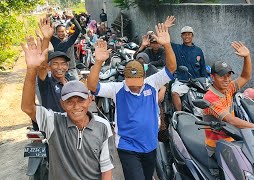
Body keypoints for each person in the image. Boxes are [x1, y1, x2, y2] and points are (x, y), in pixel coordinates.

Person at [87, 23, 176, 180]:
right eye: (131, 84)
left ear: (144, 77)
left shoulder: (152, 83)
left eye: (137, 84)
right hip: (127, 147)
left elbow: (171, 68)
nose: (134, 88)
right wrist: (99, 62)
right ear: (125, 79)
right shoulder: (117, 88)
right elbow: (93, 86)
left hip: (150, 145)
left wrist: (167, 45)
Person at [20, 36, 113, 180]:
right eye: (69, 101)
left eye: (80, 100)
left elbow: (106, 168)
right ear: (62, 104)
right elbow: (28, 107)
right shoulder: (53, 121)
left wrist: (99, 62)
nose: (76, 106)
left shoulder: (103, 126)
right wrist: (32, 68)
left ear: (89, 100)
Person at [203, 41, 254, 157]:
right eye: (221, 76)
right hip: (217, 147)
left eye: (229, 75)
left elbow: (245, 76)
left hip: (232, 139)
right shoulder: (210, 97)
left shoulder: (228, 88)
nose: (226, 79)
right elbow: (231, 120)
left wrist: (247, 56)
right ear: (212, 77)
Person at [164, 16, 207, 111]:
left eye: (189, 34)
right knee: (174, 93)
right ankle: (180, 114)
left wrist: (205, 81)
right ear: (181, 36)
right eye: (184, 34)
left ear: (192, 36)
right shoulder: (177, 48)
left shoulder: (198, 50)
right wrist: (166, 28)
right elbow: (166, 42)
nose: (187, 36)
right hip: (182, 81)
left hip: (197, 83)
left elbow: (203, 67)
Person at [49, 13, 82, 80]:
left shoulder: (70, 40)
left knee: (76, 87)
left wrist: (73, 18)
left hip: (71, 69)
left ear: (66, 32)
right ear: (56, 32)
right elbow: (47, 32)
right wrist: (48, 19)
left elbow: (79, 29)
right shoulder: (54, 40)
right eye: (59, 32)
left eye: (62, 31)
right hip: (58, 70)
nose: (61, 33)